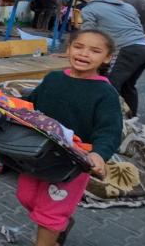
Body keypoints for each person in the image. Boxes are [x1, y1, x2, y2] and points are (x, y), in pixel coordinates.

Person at [18, 29, 122, 246]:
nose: (84, 54)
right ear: (68, 49)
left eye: (95, 50)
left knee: (50, 212)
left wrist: (98, 154)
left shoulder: (106, 93)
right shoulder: (53, 78)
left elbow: (109, 130)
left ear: (107, 57)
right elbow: (30, 107)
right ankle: (60, 223)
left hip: (71, 163)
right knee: (26, 197)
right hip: (37, 155)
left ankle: (50, 236)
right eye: (78, 46)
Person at [80, 0, 145, 118]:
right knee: (128, 86)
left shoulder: (89, 9)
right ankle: (131, 119)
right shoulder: (127, 7)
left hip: (127, 49)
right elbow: (138, 27)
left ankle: (107, 119)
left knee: (110, 85)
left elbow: (87, 34)